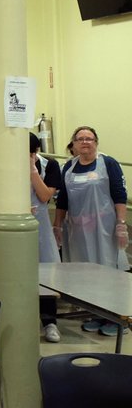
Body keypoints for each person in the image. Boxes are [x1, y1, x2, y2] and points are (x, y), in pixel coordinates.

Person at [55, 126, 127, 335]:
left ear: (96, 142)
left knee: (108, 271)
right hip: (78, 231)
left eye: (89, 139)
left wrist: (121, 224)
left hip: (105, 229)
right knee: (87, 274)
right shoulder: (68, 168)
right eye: (80, 139)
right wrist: (57, 225)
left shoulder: (108, 163)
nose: (85, 142)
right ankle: (95, 314)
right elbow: (63, 200)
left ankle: (116, 318)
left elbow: (119, 194)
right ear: (74, 143)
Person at [30, 131, 64, 342]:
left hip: (40, 227)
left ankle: (50, 322)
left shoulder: (49, 165)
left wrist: (32, 171)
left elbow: (44, 196)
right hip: (15, 227)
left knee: (45, 274)